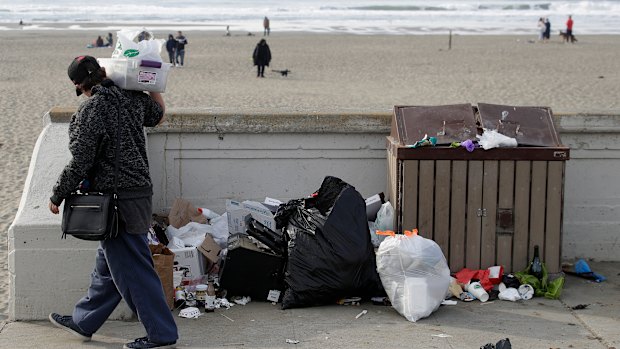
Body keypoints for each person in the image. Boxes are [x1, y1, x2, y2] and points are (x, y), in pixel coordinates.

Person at [48, 55, 178, 349]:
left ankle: (161, 334)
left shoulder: (92, 110)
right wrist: (153, 83)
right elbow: (159, 114)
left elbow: (81, 161)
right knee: (108, 268)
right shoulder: (131, 98)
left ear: (79, 86)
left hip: (118, 203)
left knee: (134, 270)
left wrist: (58, 194)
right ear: (104, 71)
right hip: (138, 194)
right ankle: (84, 321)